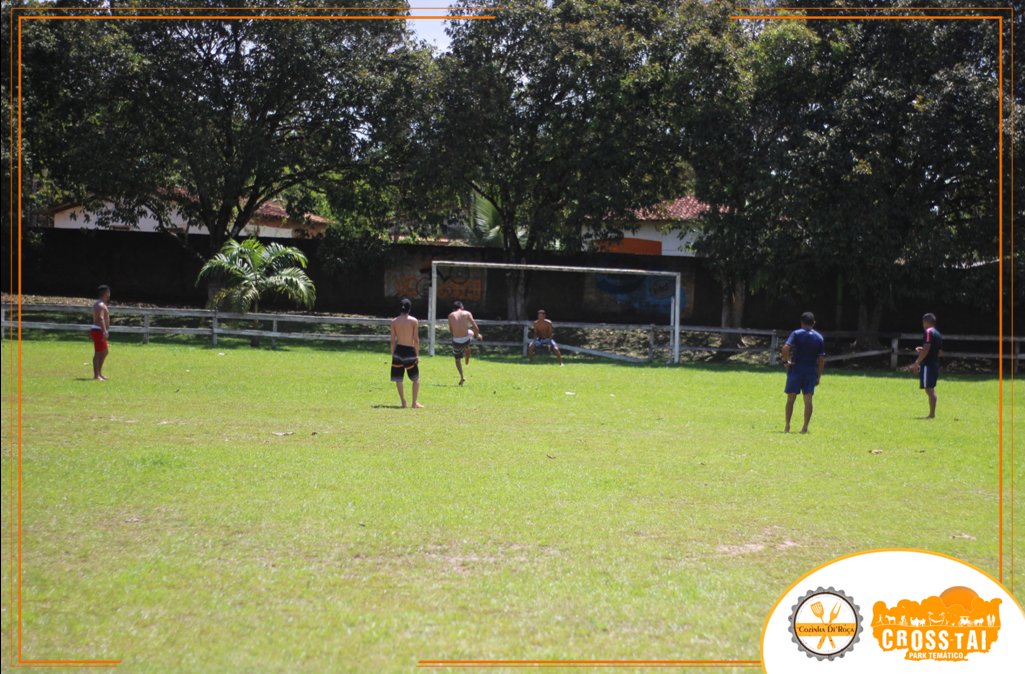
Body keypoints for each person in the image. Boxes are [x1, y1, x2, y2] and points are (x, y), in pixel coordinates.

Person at [781, 311, 825, 433]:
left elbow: (786, 348)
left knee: (791, 399)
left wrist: (785, 362)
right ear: (814, 323)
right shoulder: (819, 337)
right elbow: (821, 359)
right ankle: (805, 427)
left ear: (801, 322)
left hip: (796, 369)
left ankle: (787, 426)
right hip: (810, 371)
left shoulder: (796, 333)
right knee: (808, 400)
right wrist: (818, 376)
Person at [390, 298, 423, 408]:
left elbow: (392, 341)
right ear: (409, 308)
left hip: (398, 351)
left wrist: (393, 354)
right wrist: (417, 354)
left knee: (398, 378)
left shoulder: (394, 322)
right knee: (416, 378)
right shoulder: (414, 321)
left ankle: (403, 402)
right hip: (409, 350)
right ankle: (414, 402)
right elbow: (416, 340)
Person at [911, 313, 943, 419]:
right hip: (934, 364)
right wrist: (924, 350)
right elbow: (939, 352)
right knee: (930, 389)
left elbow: (927, 348)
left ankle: (931, 415)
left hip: (928, 365)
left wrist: (917, 362)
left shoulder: (928, 332)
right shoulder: (937, 334)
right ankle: (931, 414)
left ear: (926, 322)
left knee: (929, 389)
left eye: (923, 322)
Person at [447, 300, 482, 385]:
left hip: (456, 341)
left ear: (453, 309)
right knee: (470, 331)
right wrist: (478, 335)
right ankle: (467, 350)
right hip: (466, 339)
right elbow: (475, 327)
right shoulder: (467, 313)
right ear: (462, 308)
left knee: (457, 360)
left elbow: (451, 331)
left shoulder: (450, 316)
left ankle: (462, 376)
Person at [90, 285, 111, 380]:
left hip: (100, 331)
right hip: (99, 331)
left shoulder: (101, 304)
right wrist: (105, 331)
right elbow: (100, 319)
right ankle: (96, 375)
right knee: (98, 353)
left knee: (105, 351)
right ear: (106, 293)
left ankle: (99, 373)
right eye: (109, 292)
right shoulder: (100, 305)